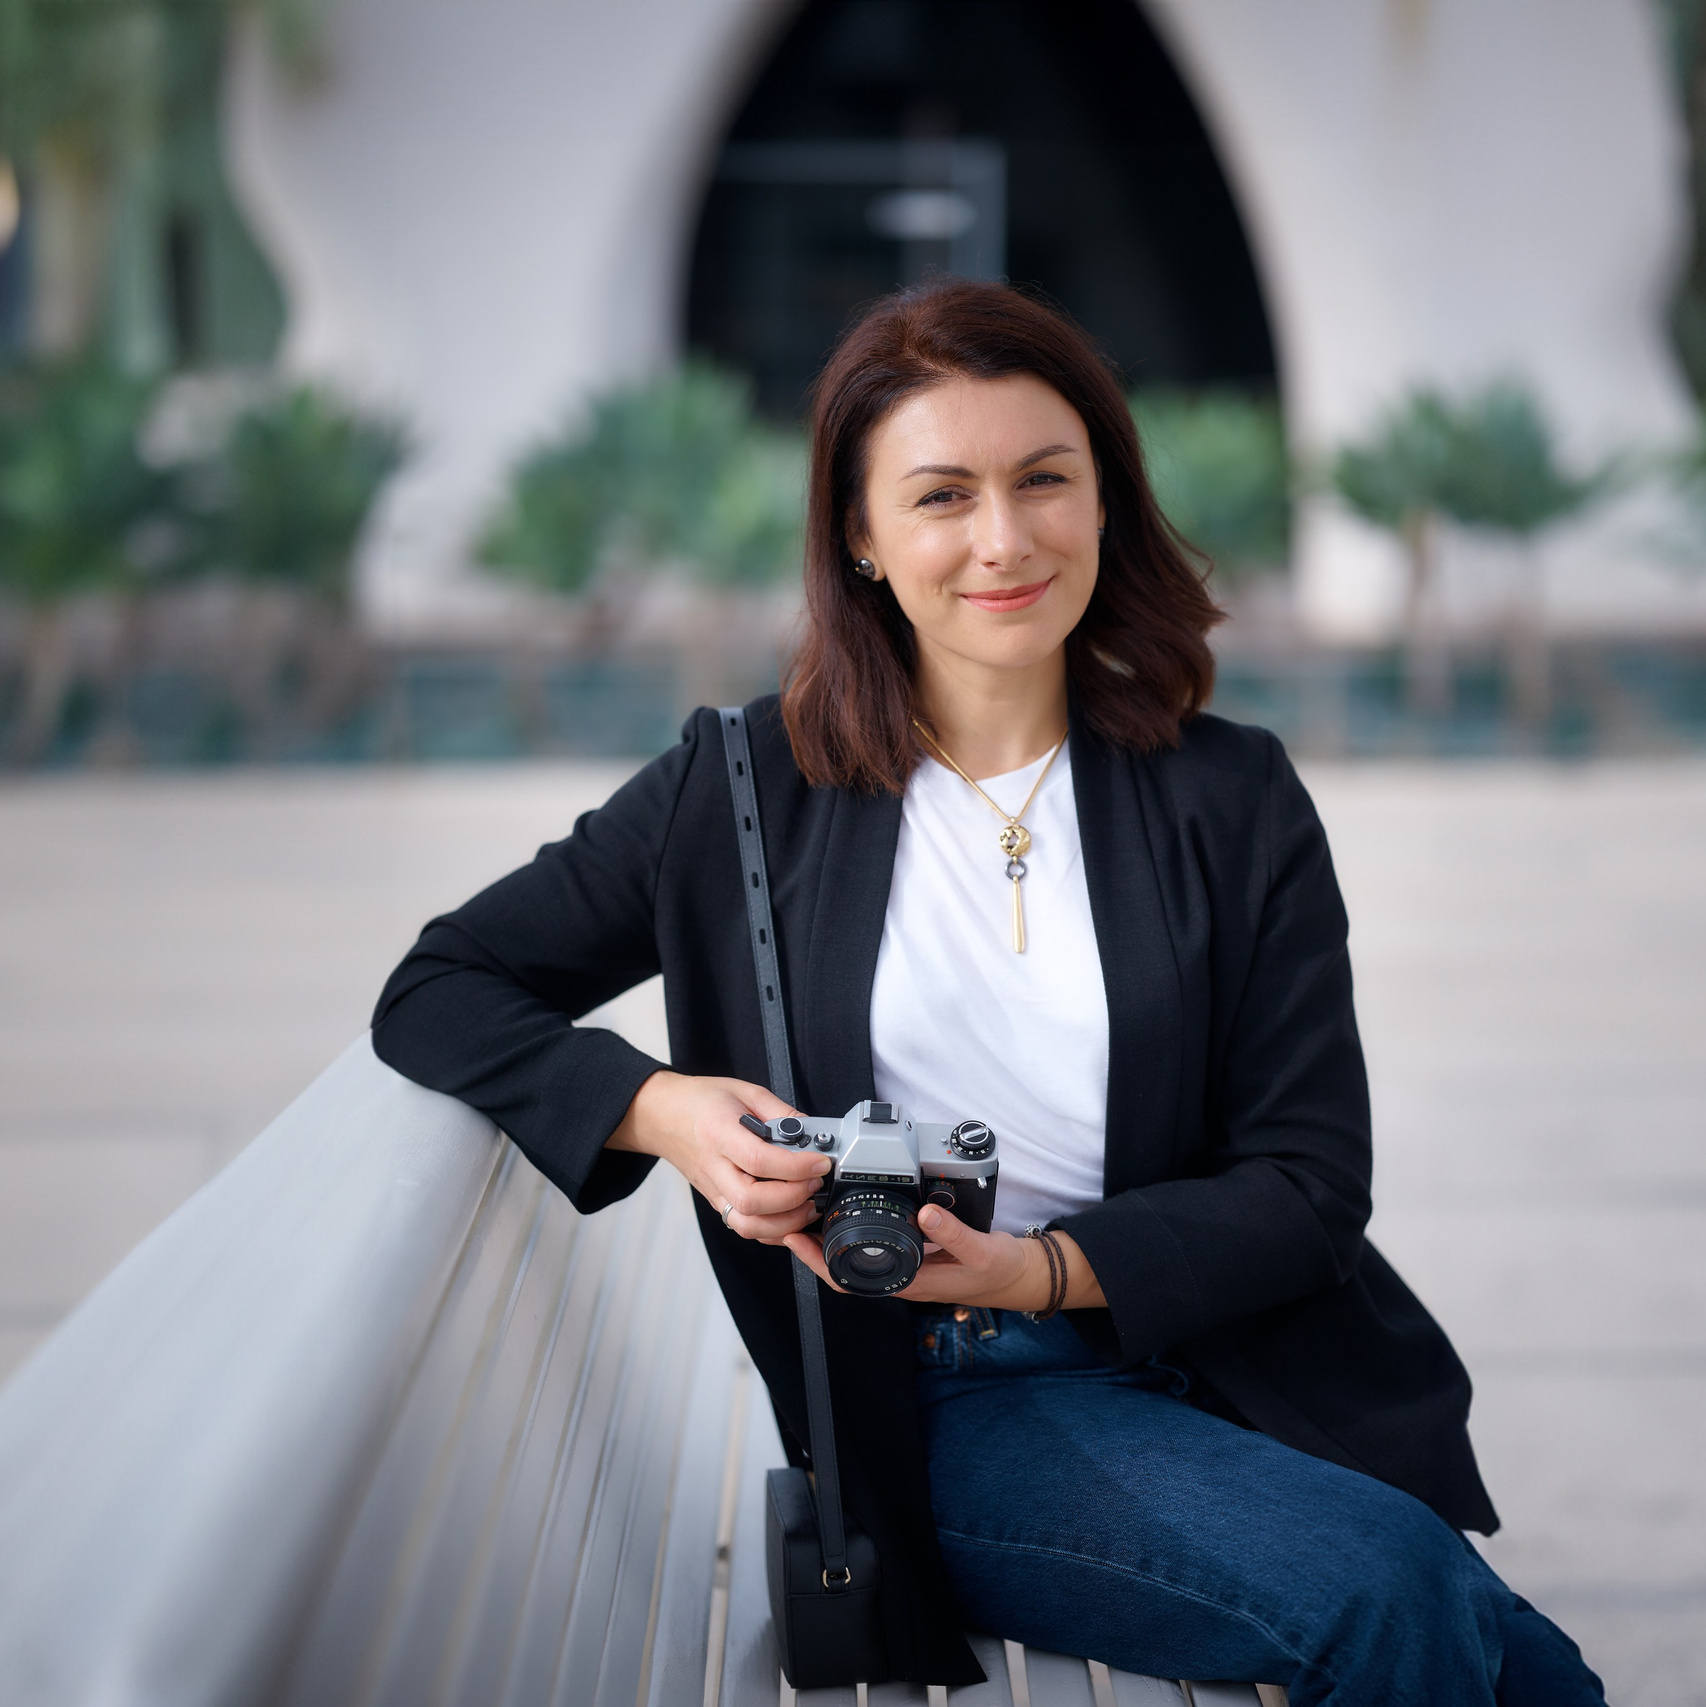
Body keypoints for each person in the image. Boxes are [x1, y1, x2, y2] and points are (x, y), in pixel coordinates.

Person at [372, 280, 1603, 1705]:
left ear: (1104, 500)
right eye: (942, 495)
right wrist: (665, 1112)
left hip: (1228, 1359)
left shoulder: (1231, 796)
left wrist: (1040, 1268)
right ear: (861, 535)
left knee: (1529, 1676)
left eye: (1042, 481)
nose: (1003, 540)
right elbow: (441, 985)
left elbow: (1308, 1181)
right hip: (942, 1405)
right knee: (1391, 1599)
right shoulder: (737, 792)